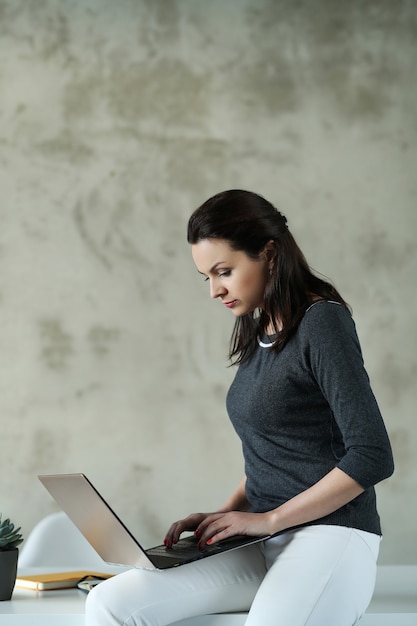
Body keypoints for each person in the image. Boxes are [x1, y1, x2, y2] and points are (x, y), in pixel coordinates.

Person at [85, 189, 394, 626]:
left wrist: (269, 520)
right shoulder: (258, 328)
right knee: (108, 603)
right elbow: (276, 452)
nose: (214, 290)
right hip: (261, 540)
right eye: (206, 277)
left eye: (224, 271)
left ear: (268, 253)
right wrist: (224, 514)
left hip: (332, 534)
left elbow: (373, 455)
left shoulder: (322, 322)